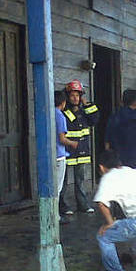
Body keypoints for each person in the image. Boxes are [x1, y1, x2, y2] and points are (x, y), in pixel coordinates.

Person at [60, 80, 100, 215]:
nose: (75, 98)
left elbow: (94, 120)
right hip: (67, 150)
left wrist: (87, 105)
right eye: (72, 95)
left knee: (80, 181)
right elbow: (71, 122)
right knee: (63, 182)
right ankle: (63, 207)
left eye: (78, 95)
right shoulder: (64, 112)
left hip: (82, 151)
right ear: (67, 97)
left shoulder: (85, 111)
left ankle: (83, 205)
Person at [55, 91, 78, 224]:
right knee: (57, 188)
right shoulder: (60, 116)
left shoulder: (48, 113)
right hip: (59, 155)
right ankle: (55, 216)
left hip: (50, 155)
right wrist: (73, 143)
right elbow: (62, 139)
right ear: (63, 103)